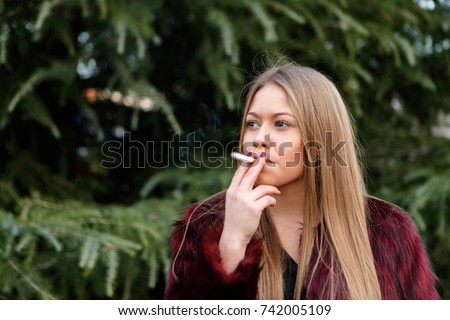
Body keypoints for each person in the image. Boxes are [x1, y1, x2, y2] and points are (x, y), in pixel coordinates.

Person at [165, 62, 439, 300]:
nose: (259, 137)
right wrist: (233, 241)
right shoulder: (203, 227)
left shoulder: (389, 231)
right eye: (252, 123)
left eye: (281, 124)